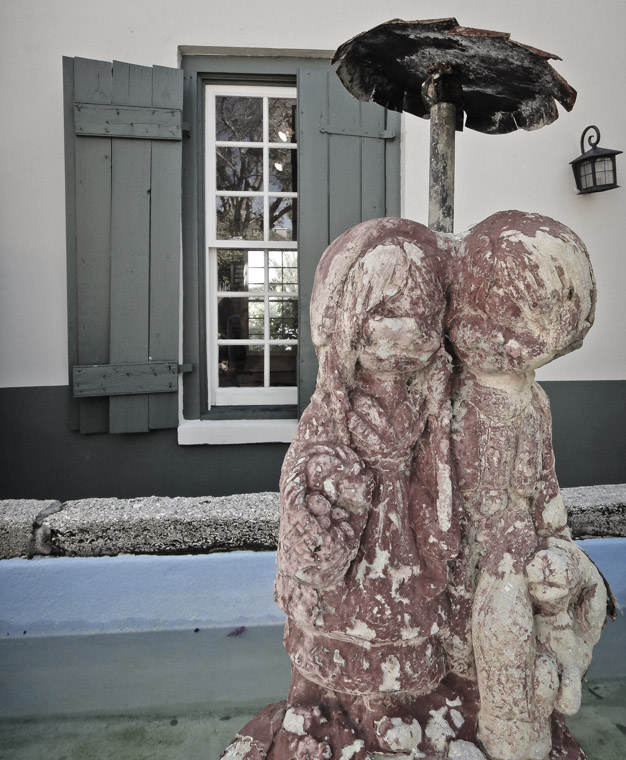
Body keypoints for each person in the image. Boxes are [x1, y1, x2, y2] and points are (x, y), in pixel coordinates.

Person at [445, 210, 605, 760]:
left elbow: (543, 473)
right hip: (480, 547)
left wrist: (553, 523)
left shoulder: (533, 398)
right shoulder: (454, 396)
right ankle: (512, 733)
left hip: (526, 532)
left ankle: (563, 670)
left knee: (580, 588)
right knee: (504, 624)